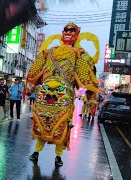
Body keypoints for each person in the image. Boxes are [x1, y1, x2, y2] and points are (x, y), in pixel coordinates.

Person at [27, 22, 99, 166]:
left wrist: (90, 99)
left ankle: (58, 155)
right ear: (62, 32)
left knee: (63, 125)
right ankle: (36, 151)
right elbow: (35, 70)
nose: (68, 32)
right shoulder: (49, 52)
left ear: (77, 35)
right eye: (66, 30)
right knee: (42, 121)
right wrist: (30, 86)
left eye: (72, 31)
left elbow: (87, 79)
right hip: (44, 95)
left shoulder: (80, 55)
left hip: (64, 97)